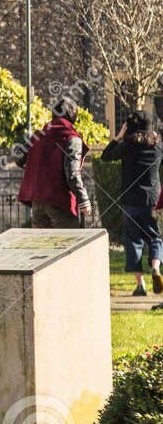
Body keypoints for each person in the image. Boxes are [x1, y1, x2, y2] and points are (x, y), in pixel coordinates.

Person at [101, 113, 161, 294]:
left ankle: (140, 285)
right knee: (155, 237)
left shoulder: (127, 147)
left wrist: (117, 138)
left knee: (133, 240)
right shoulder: (158, 147)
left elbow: (106, 156)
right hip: (152, 200)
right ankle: (156, 268)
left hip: (130, 202)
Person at [17, 96, 93, 230]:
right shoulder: (71, 137)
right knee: (67, 246)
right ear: (73, 116)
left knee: (44, 248)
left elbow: (18, 159)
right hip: (61, 202)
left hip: (38, 203)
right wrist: (84, 199)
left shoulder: (38, 135)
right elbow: (72, 173)